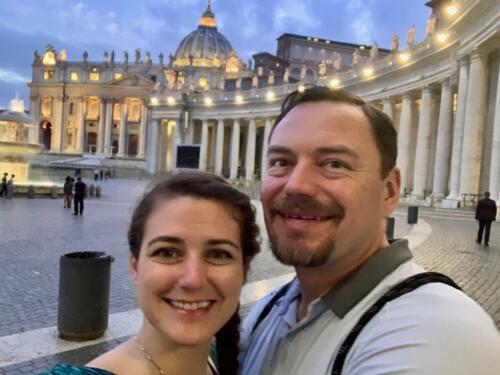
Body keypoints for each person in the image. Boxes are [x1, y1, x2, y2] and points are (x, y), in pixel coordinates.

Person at [239, 86, 500, 374]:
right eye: (281, 162)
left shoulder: (436, 333)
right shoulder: (270, 309)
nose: (296, 185)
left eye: (334, 164)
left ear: (389, 191)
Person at [42, 172, 260, 375]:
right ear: (135, 266)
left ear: (244, 270)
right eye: (167, 252)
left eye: (219, 254)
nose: (193, 279)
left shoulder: (218, 361)